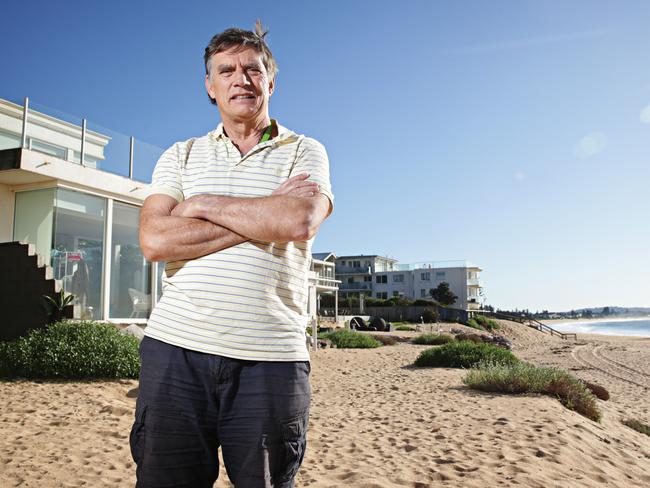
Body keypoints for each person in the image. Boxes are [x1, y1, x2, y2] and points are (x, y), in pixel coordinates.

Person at [129, 21, 333, 488]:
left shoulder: (304, 151)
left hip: (271, 358)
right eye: (226, 70)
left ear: (270, 81)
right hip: (175, 352)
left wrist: (201, 208)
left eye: (252, 69)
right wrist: (262, 216)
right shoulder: (180, 155)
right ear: (210, 85)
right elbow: (155, 240)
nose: (240, 78)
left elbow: (298, 221)